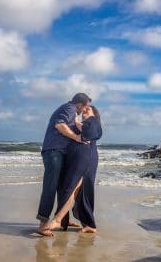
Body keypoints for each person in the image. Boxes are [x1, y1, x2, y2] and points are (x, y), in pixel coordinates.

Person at [36, 93, 91, 236]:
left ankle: (63, 220)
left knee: (62, 187)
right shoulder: (70, 108)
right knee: (51, 186)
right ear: (80, 104)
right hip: (54, 152)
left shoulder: (71, 112)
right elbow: (59, 125)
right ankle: (42, 225)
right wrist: (76, 137)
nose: (85, 110)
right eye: (85, 107)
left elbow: (68, 124)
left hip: (58, 152)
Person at [47, 105, 102, 234]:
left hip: (84, 158)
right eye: (83, 110)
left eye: (87, 110)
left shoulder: (93, 121)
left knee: (73, 188)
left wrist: (76, 122)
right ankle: (86, 223)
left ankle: (58, 219)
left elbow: (93, 133)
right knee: (76, 190)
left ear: (94, 113)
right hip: (78, 159)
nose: (84, 112)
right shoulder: (85, 123)